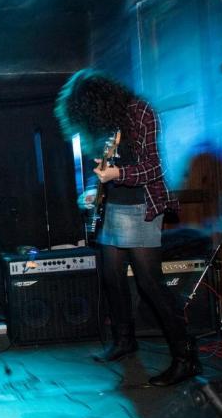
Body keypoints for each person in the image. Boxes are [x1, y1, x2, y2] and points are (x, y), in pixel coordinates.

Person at [55, 69, 201, 387]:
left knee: (150, 284)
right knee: (111, 276)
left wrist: (117, 175)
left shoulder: (141, 111)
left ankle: (186, 357)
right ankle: (124, 341)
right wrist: (95, 189)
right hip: (113, 207)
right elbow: (107, 163)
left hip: (141, 207)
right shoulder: (106, 121)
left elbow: (153, 167)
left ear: (101, 100)